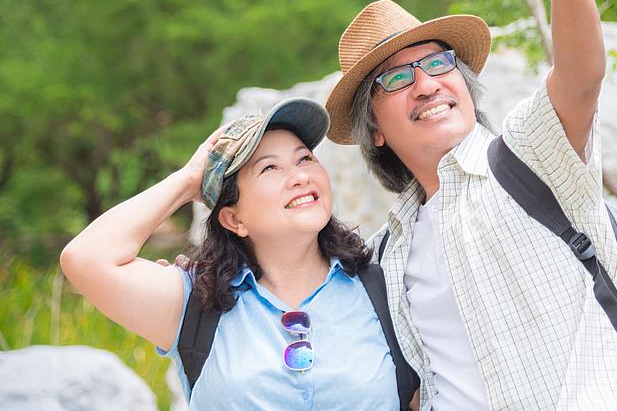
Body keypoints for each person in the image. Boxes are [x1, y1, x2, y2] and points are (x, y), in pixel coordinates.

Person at [324, 0, 617, 409]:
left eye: (439, 63)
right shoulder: (391, 249)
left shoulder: (526, 155)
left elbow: (580, 75)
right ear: (373, 129)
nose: (427, 85)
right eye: (397, 78)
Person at [60, 98, 418, 410]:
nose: (299, 176)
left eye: (305, 159)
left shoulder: (384, 287)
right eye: (270, 167)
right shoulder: (194, 303)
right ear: (234, 218)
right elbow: (86, 258)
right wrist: (188, 181)